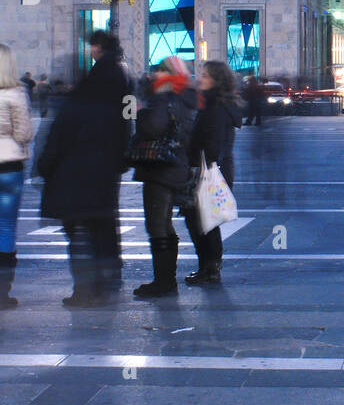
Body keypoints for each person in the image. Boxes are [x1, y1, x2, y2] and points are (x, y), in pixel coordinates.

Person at [38, 31, 132, 307]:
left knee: (79, 233)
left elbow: (56, 140)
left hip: (74, 174)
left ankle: (84, 290)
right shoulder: (123, 85)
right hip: (105, 170)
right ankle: (107, 280)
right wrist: (122, 158)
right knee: (103, 225)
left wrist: (44, 168)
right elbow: (129, 121)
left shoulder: (75, 103)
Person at [131, 57, 199, 299]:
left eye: (158, 71)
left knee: (157, 225)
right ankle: (166, 279)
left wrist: (141, 114)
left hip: (160, 167)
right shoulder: (188, 96)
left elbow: (152, 128)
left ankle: (164, 281)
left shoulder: (163, 95)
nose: (154, 75)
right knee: (165, 224)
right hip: (178, 165)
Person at [184, 60, 243, 285]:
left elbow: (213, 144)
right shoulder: (217, 104)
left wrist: (200, 162)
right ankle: (209, 268)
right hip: (215, 169)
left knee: (201, 221)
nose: (201, 79)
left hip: (208, 170)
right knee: (206, 221)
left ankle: (209, 268)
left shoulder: (215, 107)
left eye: (206, 76)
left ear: (217, 81)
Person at [0, 44, 34, 309]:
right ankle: (2, 293)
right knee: (7, 228)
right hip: (9, 165)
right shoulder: (15, 93)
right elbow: (24, 134)